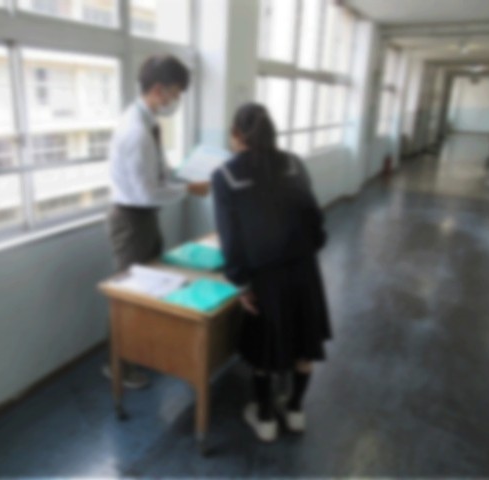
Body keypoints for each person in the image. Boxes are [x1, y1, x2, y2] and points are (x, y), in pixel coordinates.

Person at [211, 103, 332, 442]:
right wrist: (308, 250)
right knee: (304, 345)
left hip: (264, 277)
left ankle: (265, 418)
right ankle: (295, 410)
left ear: (236, 134)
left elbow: (230, 239)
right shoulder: (293, 163)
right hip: (304, 269)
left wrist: (241, 283)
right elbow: (315, 217)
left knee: (263, 350)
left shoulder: (225, 175)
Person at [104, 55, 210, 389]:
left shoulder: (147, 121)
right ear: (159, 89)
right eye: (176, 93)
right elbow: (146, 192)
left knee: (151, 288)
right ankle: (119, 367)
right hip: (131, 219)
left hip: (144, 217)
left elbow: (157, 174)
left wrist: (182, 175)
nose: (176, 100)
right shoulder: (136, 131)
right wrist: (188, 189)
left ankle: (143, 354)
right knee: (130, 296)